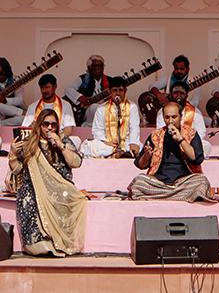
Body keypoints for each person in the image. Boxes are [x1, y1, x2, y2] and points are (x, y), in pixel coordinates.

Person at [8, 107, 86, 256]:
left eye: (53, 124)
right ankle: (39, 244)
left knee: (67, 197)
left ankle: (59, 243)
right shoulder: (30, 143)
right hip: (34, 188)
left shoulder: (63, 140)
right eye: (46, 124)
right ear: (39, 125)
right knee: (27, 198)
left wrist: (60, 145)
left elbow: (75, 162)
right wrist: (12, 154)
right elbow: (17, 169)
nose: (49, 127)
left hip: (60, 186)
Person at [129, 101, 211, 201]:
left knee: (202, 182)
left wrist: (181, 140)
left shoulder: (191, 134)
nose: (170, 121)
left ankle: (164, 196)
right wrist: (147, 155)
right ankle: (178, 196)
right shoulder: (155, 135)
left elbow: (197, 159)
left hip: (184, 182)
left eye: (174, 117)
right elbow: (140, 165)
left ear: (181, 117)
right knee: (139, 182)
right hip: (159, 183)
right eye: (167, 117)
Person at [81, 76, 141, 158]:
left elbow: (134, 128)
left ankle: (121, 152)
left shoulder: (132, 106)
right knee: (88, 145)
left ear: (125, 91)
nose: (118, 93)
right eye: (115, 90)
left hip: (126, 142)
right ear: (109, 92)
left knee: (139, 146)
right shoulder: (101, 108)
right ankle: (117, 153)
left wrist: (133, 143)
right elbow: (97, 130)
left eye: (121, 90)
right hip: (107, 144)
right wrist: (105, 142)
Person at [22, 74, 77, 140]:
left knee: (76, 140)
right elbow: (25, 129)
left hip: (58, 140)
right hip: (38, 141)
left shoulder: (66, 105)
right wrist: (33, 127)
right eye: (42, 87)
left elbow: (68, 129)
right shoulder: (32, 107)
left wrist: (58, 140)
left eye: (47, 87)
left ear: (55, 87)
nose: (44, 90)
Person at [64, 54, 108, 124]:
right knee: (95, 107)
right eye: (97, 66)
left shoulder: (109, 81)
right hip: (87, 111)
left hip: (106, 110)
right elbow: (68, 89)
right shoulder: (84, 79)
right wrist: (80, 97)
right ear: (90, 67)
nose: (100, 68)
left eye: (101, 65)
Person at [0, 57, 26, 127]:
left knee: (23, 119)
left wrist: (4, 100)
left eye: (1, 73)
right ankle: (21, 113)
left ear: (7, 72)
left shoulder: (16, 80)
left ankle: (0, 124)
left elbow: (19, 100)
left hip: (13, 112)